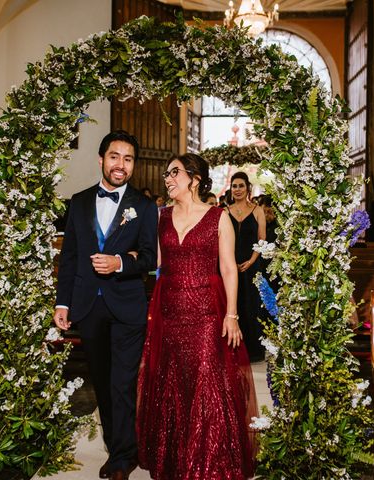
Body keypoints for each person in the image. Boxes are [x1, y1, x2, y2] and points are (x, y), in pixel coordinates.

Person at [137, 153, 257, 480]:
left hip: (206, 311)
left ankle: (207, 461)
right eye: (166, 174)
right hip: (169, 311)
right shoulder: (160, 217)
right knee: (172, 379)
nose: (167, 178)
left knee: (205, 380)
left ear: (194, 178)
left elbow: (229, 268)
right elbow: (153, 261)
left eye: (174, 173)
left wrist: (231, 315)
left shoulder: (218, 217)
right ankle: (175, 460)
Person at [54, 130, 158, 480]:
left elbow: (147, 258)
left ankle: (122, 457)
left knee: (122, 384)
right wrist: (63, 303)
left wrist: (120, 264)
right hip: (88, 307)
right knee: (101, 381)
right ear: (101, 159)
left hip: (126, 307)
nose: (121, 165)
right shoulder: (80, 201)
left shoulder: (143, 208)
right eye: (115, 157)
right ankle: (119, 447)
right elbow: (69, 257)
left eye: (128, 159)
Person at [226, 171, 267, 361]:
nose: (238, 189)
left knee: (251, 306)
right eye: (234, 186)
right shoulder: (225, 211)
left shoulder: (257, 210)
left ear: (248, 188)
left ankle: (253, 351)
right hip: (229, 265)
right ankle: (233, 350)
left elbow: (262, 239)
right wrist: (229, 262)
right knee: (233, 304)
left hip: (252, 264)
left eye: (241, 185)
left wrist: (251, 261)